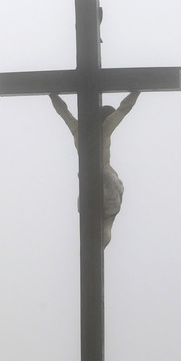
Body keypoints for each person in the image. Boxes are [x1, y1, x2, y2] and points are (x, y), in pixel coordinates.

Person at [50, 91, 140, 248]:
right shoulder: (105, 129)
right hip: (105, 177)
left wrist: (52, 95)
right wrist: (137, 90)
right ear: (106, 118)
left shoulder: (77, 130)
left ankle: (93, 250)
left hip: (86, 182)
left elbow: (62, 111)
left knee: (96, 227)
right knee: (107, 226)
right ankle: (100, 244)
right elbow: (124, 109)